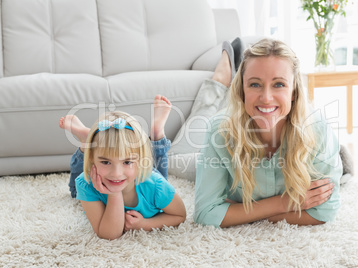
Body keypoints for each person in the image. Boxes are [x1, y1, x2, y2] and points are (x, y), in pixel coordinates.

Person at [194, 38, 342, 228]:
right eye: (255, 84)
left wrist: (237, 211)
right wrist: (285, 203)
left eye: (279, 84)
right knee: (177, 159)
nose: (266, 98)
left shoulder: (317, 129)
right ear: (242, 90)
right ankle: (219, 80)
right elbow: (205, 214)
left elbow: (325, 212)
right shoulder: (219, 131)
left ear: (294, 92)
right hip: (219, 133)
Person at [59, 95, 186, 239]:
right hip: (120, 172)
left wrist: (145, 224)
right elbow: (109, 234)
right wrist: (114, 193)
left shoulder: (156, 185)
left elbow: (179, 215)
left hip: (145, 178)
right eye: (106, 162)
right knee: (75, 192)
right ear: (92, 160)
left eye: (127, 162)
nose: (116, 174)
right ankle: (86, 144)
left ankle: (157, 133)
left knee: (158, 172)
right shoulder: (86, 183)